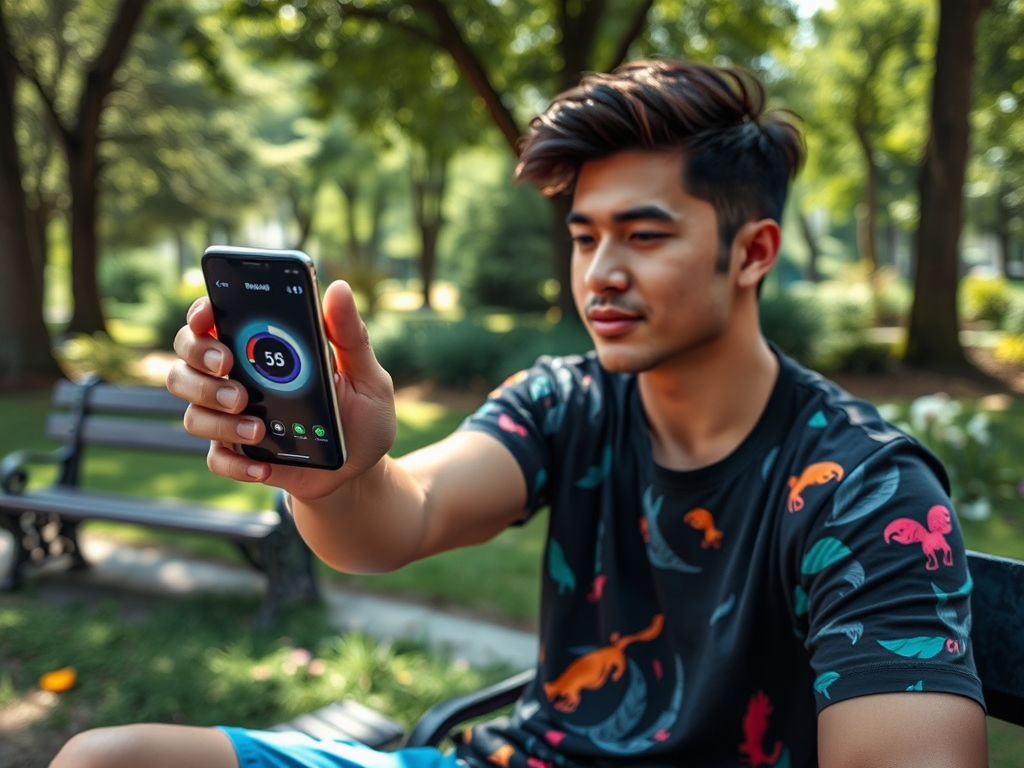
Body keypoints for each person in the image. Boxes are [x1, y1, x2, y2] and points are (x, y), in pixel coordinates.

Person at [51, 58, 987, 768]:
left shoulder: (864, 490)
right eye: (585, 237)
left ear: (752, 253)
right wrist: (338, 477)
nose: (600, 274)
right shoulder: (566, 401)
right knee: (108, 758)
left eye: (645, 235)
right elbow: (401, 517)